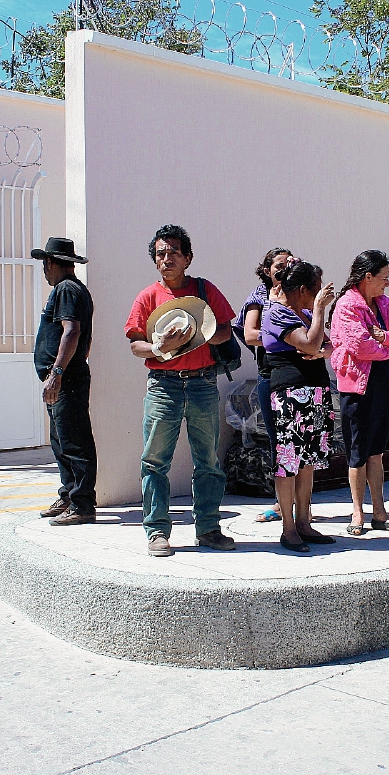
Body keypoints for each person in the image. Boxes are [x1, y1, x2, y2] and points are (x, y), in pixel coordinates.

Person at [125, 224, 237, 557]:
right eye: (160, 253)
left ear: (187, 258)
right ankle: (157, 532)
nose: (166, 258)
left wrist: (195, 334)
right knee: (155, 461)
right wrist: (159, 346)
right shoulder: (147, 296)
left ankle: (209, 529)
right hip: (163, 385)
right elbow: (134, 346)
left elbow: (226, 333)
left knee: (208, 461)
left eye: (173, 252)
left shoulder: (204, 290)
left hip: (203, 382)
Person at [329, 250, 389, 536]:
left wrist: (385, 338)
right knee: (358, 453)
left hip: (384, 381)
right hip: (358, 385)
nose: (386, 284)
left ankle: (379, 511)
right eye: (383, 278)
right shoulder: (347, 305)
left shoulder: (384, 304)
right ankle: (357, 511)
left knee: (376, 452)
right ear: (367, 277)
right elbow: (360, 345)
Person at [261, 259, 337, 553]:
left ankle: (304, 522)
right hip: (290, 395)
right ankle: (288, 528)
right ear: (304, 289)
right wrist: (319, 312)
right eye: (316, 289)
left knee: (308, 462)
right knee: (288, 463)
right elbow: (308, 344)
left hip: (314, 392)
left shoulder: (304, 314)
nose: (319, 295)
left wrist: (322, 349)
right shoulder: (277, 314)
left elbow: (325, 345)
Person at [31, 237, 99, 526]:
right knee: (61, 440)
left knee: (74, 441)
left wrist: (57, 373)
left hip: (66, 379)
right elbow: (85, 340)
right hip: (63, 378)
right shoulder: (70, 290)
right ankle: (69, 495)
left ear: (50, 263)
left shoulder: (66, 289)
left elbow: (71, 331)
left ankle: (83, 503)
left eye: (44, 265)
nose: (44, 272)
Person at [234, 246, 294, 522]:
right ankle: (281, 504)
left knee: (300, 441)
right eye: (278, 265)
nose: (283, 269)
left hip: (299, 375)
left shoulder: (300, 290)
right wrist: (289, 336)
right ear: (267, 270)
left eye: (288, 264)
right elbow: (250, 334)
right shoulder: (260, 294)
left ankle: (301, 505)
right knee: (277, 441)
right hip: (270, 375)